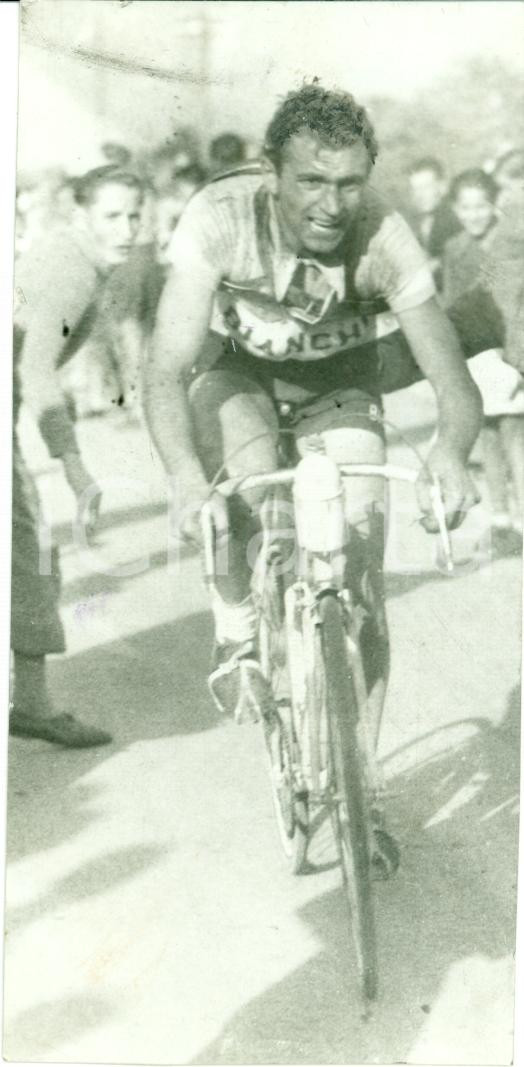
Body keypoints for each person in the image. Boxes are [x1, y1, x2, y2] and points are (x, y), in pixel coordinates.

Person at [146, 84, 483, 874]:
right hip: (239, 382)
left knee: (360, 569)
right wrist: (188, 480)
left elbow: (453, 381)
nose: (332, 204)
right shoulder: (219, 218)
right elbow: (163, 371)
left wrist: (454, 452)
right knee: (246, 488)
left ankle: (360, 786)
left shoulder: (385, 235)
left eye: (349, 181)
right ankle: (237, 626)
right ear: (273, 174)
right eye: (311, 181)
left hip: (341, 388)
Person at [11, 165, 145, 747]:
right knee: (31, 551)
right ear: (81, 215)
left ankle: (30, 702)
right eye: (112, 216)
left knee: (27, 552)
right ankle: (31, 705)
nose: (127, 228)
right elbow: (35, 371)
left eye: (136, 214)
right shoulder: (70, 269)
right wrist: (75, 466)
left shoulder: (80, 260)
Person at [442, 168, 524, 547]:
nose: (474, 215)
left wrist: (517, 360)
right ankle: (501, 517)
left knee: (515, 436)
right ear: (456, 210)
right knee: (487, 436)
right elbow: (451, 306)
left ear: (494, 206)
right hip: (478, 355)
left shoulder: (512, 243)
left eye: (481, 206)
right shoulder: (455, 249)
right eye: (465, 207)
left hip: (511, 350)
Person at [406, 157, 462, 288]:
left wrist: (436, 264)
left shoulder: (453, 219)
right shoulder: (425, 220)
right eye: (415, 189)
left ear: (442, 187)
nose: (419, 195)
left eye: (426, 187)